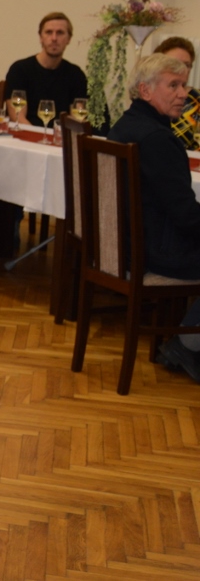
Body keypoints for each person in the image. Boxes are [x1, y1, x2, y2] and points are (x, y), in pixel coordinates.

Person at [107, 53, 200, 383]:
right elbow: (186, 216)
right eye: (173, 85)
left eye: (184, 85)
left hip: (128, 245)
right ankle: (187, 345)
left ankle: (187, 342)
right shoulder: (158, 139)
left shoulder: (125, 125)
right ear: (145, 90)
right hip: (154, 252)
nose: (183, 93)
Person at [3, 12, 87, 126]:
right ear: (40, 37)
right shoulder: (20, 70)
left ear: (69, 39)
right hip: (27, 134)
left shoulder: (76, 75)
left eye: (60, 33)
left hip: (60, 136)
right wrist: (39, 136)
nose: (54, 38)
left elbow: (77, 120)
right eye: (48, 32)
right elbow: (18, 117)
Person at [154, 36, 200, 151]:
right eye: (174, 63)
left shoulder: (197, 99)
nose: (181, 69)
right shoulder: (151, 99)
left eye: (187, 65)